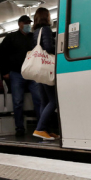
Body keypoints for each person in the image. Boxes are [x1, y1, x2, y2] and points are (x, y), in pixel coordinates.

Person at [0, 15, 43, 136]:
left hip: (33, 74)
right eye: (25, 23)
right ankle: (19, 128)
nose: (28, 25)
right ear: (19, 24)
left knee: (39, 99)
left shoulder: (34, 38)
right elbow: (0, 55)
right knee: (17, 102)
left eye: (29, 23)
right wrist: (4, 71)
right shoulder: (11, 37)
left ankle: (41, 127)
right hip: (17, 74)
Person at [31, 8, 60, 141]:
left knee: (45, 101)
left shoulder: (35, 32)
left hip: (39, 69)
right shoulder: (46, 30)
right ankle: (41, 128)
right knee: (53, 101)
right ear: (46, 17)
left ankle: (45, 131)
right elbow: (48, 47)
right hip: (46, 68)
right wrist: (59, 47)